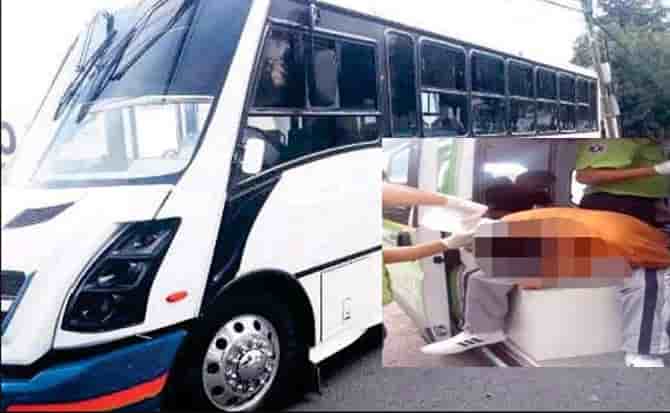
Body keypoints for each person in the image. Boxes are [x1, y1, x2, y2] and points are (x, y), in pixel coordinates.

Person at [420, 184, 670, 368]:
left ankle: (643, 351)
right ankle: (483, 330)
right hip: (584, 242)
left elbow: (656, 258)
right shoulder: (513, 224)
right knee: (483, 275)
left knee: (646, 282)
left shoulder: (620, 238)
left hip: (639, 246)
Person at [575, 138, 670, 366]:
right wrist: (654, 170)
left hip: (647, 213)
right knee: (648, 276)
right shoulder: (617, 139)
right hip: (614, 212)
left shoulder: (656, 146)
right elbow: (586, 176)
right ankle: (641, 351)